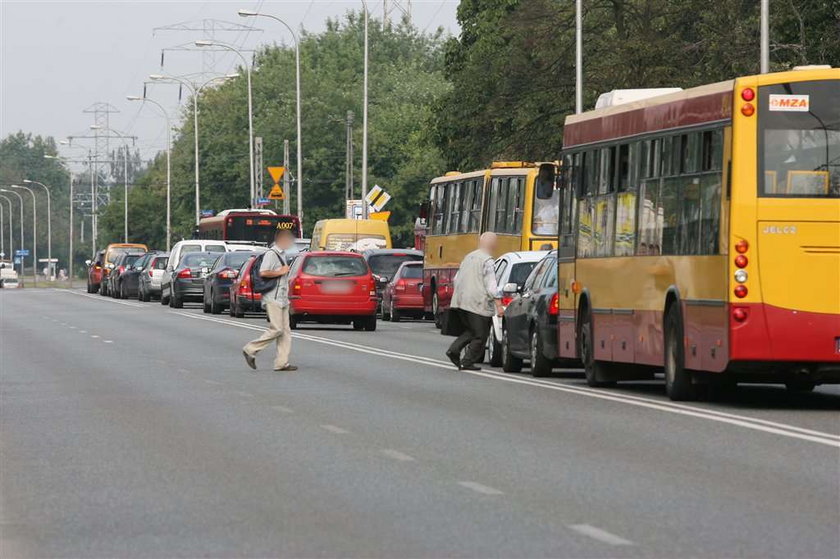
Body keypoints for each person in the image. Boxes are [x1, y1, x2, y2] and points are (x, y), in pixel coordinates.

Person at [445, 232, 503, 371]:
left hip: (461, 300)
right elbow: (491, 284)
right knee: (480, 335)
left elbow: (456, 279)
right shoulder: (487, 260)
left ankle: (454, 350)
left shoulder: (468, 257)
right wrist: (499, 305)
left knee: (471, 331)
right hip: (477, 302)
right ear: (492, 244)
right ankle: (467, 361)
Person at [242, 227, 298, 372]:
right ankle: (250, 349)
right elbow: (264, 272)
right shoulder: (271, 254)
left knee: (285, 331)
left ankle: (281, 362)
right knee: (277, 329)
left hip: (282, 298)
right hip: (273, 297)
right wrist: (280, 271)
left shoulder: (282, 254)